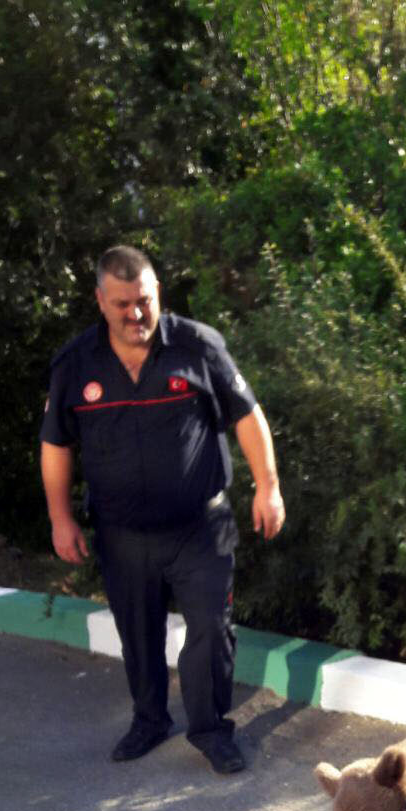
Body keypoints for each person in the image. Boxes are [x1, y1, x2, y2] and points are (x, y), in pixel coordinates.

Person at [40, 245, 286, 775]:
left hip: (201, 526)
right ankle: (149, 720)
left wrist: (268, 487)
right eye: (123, 304)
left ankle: (211, 730)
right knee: (138, 633)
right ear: (100, 301)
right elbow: (56, 445)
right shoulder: (75, 364)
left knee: (211, 628)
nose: (136, 314)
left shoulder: (198, 347)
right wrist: (61, 518)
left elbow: (248, 416)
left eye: (145, 301)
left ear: (158, 294)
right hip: (121, 533)